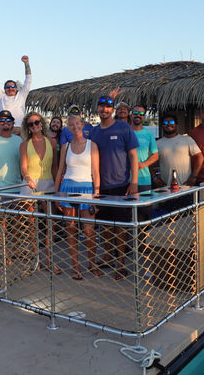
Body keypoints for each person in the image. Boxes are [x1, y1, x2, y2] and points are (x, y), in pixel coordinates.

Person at [90, 95, 139, 280]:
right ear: (98, 110)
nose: (104, 110)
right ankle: (108, 256)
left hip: (121, 185)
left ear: (112, 110)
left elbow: (133, 155)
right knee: (105, 225)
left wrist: (134, 182)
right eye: (101, 107)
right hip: (101, 187)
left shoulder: (123, 127)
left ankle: (120, 263)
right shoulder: (94, 132)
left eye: (108, 107)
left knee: (121, 227)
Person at [54, 114, 102, 280]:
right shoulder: (66, 146)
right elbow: (60, 170)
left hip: (87, 189)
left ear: (82, 125)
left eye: (77, 123)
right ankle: (76, 267)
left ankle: (92, 263)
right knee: (71, 229)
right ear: (67, 127)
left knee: (89, 231)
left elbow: (96, 172)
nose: (74, 127)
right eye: (71, 125)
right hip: (67, 187)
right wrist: (56, 194)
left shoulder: (92, 145)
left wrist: (96, 195)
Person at [154, 113, 204, 210]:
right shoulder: (158, 143)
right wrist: (155, 179)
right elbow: (149, 162)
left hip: (185, 188)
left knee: (187, 217)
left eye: (171, 122)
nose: (169, 124)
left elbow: (199, 157)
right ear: (162, 125)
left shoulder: (187, 140)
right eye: (165, 122)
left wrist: (193, 177)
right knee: (168, 219)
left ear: (176, 125)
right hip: (166, 190)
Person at [0, 56, 32, 135]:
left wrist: (26, 63)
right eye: (8, 87)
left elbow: (28, 79)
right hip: (6, 132)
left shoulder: (21, 95)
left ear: (16, 88)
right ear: (4, 89)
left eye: (12, 86)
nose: (10, 88)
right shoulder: (1, 97)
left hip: (21, 132)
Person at [20, 112, 58, 195]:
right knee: (27, 207)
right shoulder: (24, 145)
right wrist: (28, 179)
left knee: (51, 208)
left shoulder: (52, 142)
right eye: (30, 124)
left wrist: (57, 186)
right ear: (28, 128)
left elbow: (54, 167)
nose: (34, 125)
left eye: (36, 122)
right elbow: (23, 167)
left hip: (49, 183)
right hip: (29, 184)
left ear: (41, 123)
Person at [130, 105, 158, 192]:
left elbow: (155, 155)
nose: (138, 115)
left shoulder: (149, 134)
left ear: (144, 117)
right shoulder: (125, 132)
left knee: (145, 205)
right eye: (135, 113)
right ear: (131, 115)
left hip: (144, 179)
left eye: (141, 113)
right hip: (125, 180)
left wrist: (143, 164)